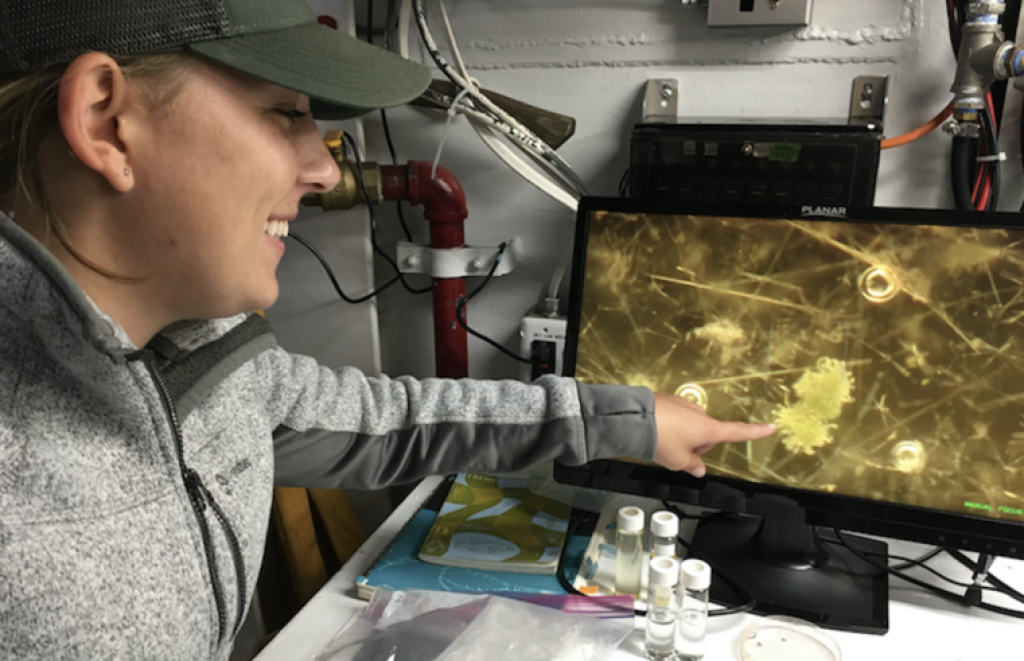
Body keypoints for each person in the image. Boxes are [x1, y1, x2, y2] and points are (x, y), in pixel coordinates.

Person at [0, 1, 775, 659]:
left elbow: (382, 423)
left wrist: (623, 420)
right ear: (106, 119)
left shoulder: (204, 341)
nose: (326, 168)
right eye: (286, 112)